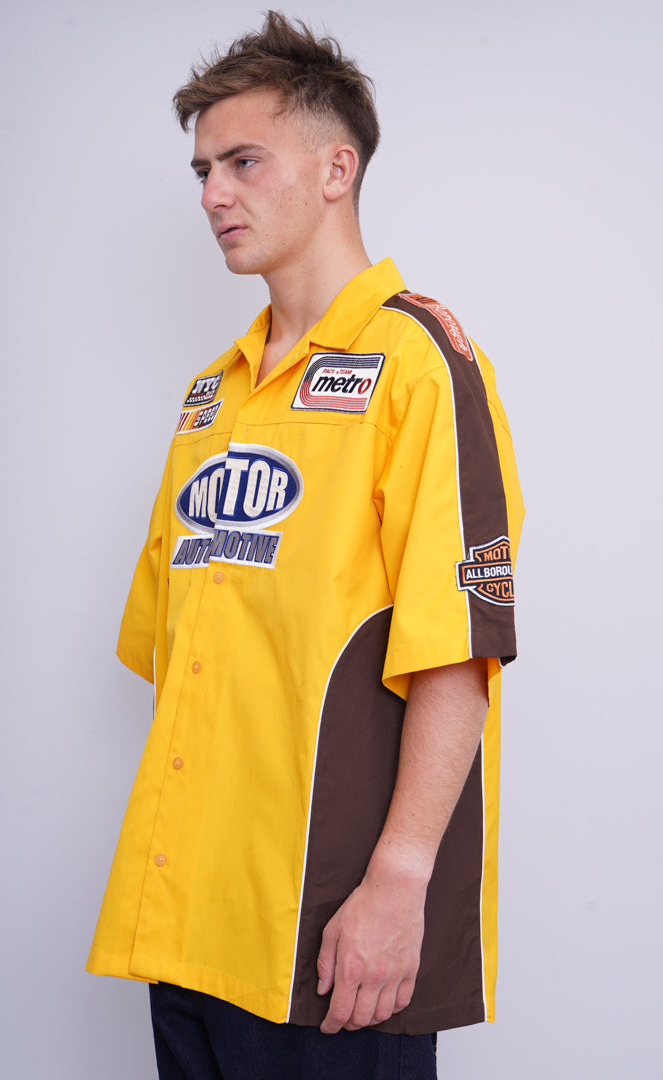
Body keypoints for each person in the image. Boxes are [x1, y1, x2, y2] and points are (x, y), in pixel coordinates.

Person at [86, 12, 524, 1079]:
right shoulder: (213, 398)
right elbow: (176, 657)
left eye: (243, 161)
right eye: (202, 170)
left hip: (327, 939)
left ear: (338, 169)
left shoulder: (419, 365)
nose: (212, 195)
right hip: (187, 921)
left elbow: (458, 646)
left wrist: (399, 882)